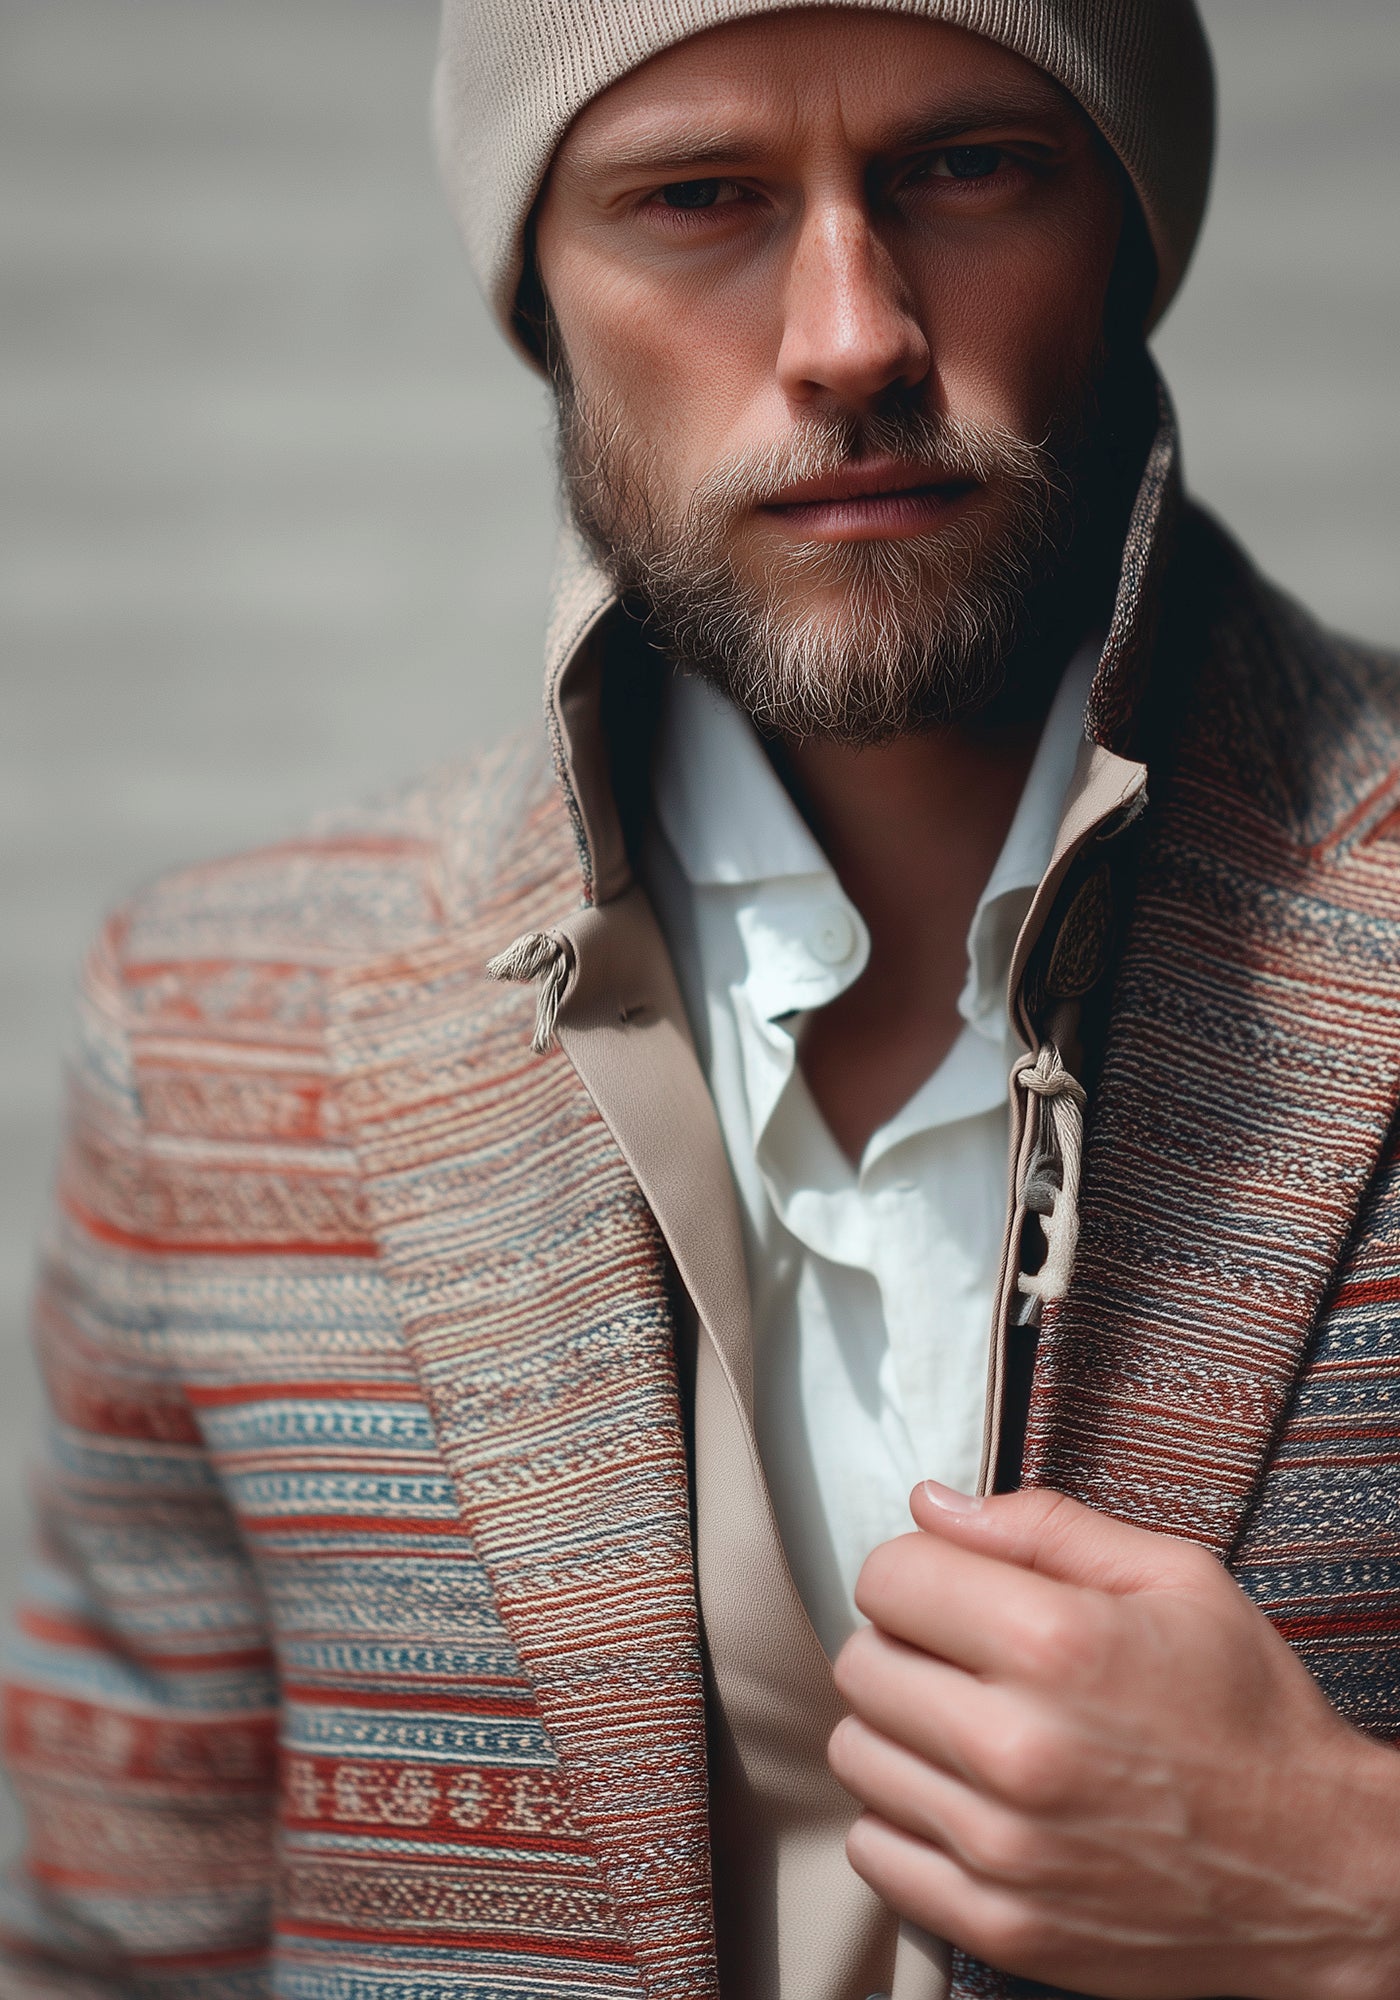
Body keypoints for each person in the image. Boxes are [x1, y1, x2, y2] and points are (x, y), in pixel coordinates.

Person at [4, 2, 1399, 1997]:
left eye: (968, 165)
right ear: (537, 295)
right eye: (699, 197)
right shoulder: (220, 1034)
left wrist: (1347, 1883)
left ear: (1126, 223)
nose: (850, 332)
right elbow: (119, 1950)